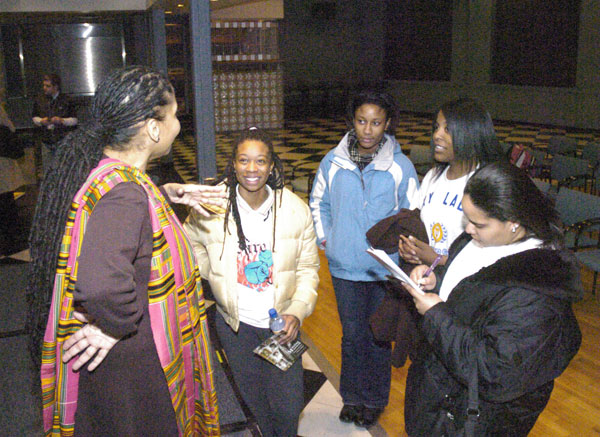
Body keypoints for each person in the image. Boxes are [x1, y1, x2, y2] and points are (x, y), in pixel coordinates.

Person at [28, 66, 224, 436]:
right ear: (154, 128)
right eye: (174, 115)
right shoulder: (126, 195)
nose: (178, 125)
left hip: (126, 364)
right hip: (140, 367)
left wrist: (165, 194)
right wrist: (115, 326)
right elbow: (100, 283)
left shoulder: (113, 175)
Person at [402, 162, 582, 436]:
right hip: (439, 389)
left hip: (472, 416)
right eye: (467, 218)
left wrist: (436, 314)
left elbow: (493, 371)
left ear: (514, 222)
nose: (468, 229)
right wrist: (435, 278)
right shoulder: (480, 239)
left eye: (478, 223)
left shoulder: (536, 292)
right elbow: (467, 283)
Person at [183, 127, 319, 437]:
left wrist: (297, 311)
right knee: (253, 399)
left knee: (288, 405)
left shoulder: (294, 209)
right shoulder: (214, 207)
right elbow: (187, 241)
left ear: (271, 166)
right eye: (244, 160)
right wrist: (212, 270)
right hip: (235, 327)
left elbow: (308, 267)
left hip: (280, 328)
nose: (252, 169)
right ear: (233, 164)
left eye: (260, 161)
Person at [310, 90, 419, 427]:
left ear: (387, 124)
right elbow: (319, 203)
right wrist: (328, 239)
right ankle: (353, 398)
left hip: (384, 272)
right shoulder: (333, 162)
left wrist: (404, 255)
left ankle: (374, 400)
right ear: (352, 121)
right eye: (361, 121)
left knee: (378, 338)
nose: (368, 129)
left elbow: (412, 216)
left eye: (376, 122)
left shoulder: (400, 167)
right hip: (345, 268)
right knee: (352, 336)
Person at [399, 97, 504, 267]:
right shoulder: (432, 176)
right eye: (436, 127)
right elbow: (418, 226)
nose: (436, 135)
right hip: (426, 276)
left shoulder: (488, 185)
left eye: (447, 129)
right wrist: (411, 249)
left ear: (470, 133)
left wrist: (437, 260)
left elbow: (492, 257)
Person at [31, 73, 78, 168]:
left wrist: (62, 120)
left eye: (48, 86)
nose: (44, 88)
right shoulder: (39, 100)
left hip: (63, 140)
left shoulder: (67, 100)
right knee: (48, 169)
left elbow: (75, 120)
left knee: (64, 168)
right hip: (46, 141)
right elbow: (34, 117)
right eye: (44, 85)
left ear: (56, 87)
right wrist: (41, 121)